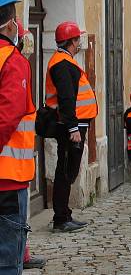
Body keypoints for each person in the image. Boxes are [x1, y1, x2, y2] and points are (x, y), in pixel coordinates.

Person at [45, 21, 98, 233]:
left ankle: (65, 214)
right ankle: (60, 218)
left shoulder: (65, 61)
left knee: (68, 170)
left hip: (74, 124)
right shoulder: (61, 63)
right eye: (78, 40)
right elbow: (67, 99)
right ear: (72, 41)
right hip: (70, 126)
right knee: (66, 170)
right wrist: (73, 128)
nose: (79, 44)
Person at [0, 0, 35, 274]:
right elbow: (7, 118)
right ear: (12, 22)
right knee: (8, 262)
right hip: (7, 180)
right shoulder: (13, 61)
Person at [11, 20, 46, 271]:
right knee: (14, 220)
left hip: (19, 163)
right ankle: (19, 256)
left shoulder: (20, 65)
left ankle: (22, 254)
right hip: (11, 165)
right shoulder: (14, 64)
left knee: (17, 220)